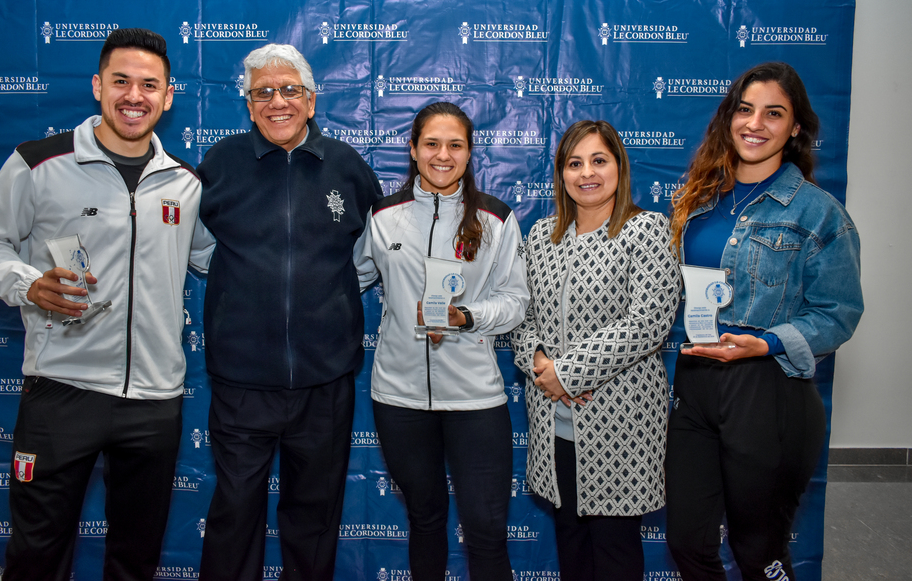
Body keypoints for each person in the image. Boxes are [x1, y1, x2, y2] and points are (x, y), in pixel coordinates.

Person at [0, 28, 215, 581]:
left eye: (150, 85)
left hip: (154, 398)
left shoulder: (186, 184)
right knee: (37, 554)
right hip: (61, 391)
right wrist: (27, 283)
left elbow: (220, 262)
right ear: (98, 86)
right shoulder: (38, 163)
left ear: (169, 97)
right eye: (121, 81)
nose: (134, 96)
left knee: (135, 558)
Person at [665, 62, 864, 581]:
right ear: (729, 118)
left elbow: (838, 313)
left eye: (774, 113)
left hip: (768, 390)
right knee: (687, 542)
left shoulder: (818, 214)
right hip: (696, 386)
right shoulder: (699, 200)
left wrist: (767, 343)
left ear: (795, 127)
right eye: (745, 110)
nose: (755, 124)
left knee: (759, 555)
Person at [196, 43, 382, 581]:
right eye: (264, 92)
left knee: (315, 519)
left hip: (325, 382)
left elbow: (365, 260)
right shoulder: (220, 163)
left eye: (290, 90)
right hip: (240, 383)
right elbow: (197, 250)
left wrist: (323, 298)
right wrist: (245, 293)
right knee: (234, 515)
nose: (278, 101)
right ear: (249, 105)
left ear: (312, 99)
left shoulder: (346, 165)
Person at [355, 102, 529, 581]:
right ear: (413, 150)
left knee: (487, 532)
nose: (442, 155)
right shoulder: (384, 216)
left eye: (455, 145)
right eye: (431, 144)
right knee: (425, 521)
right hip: (399, 397)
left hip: (475, 399)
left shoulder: (495, 219)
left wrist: (467, 315)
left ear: (470, 153)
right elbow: (351, 277)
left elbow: (515, 302)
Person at [511, 120, 680, 581]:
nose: (587, 172)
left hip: (620, 425)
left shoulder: (645, 230)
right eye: (574, 163)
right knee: (572, 544)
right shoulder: (541, 237)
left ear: (619, 168)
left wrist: (568, 373)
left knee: (614, 552)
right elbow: (521, 320)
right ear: (562, 175)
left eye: (598, 160)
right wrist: (540, 363)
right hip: (553, 424)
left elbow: (649, 322)